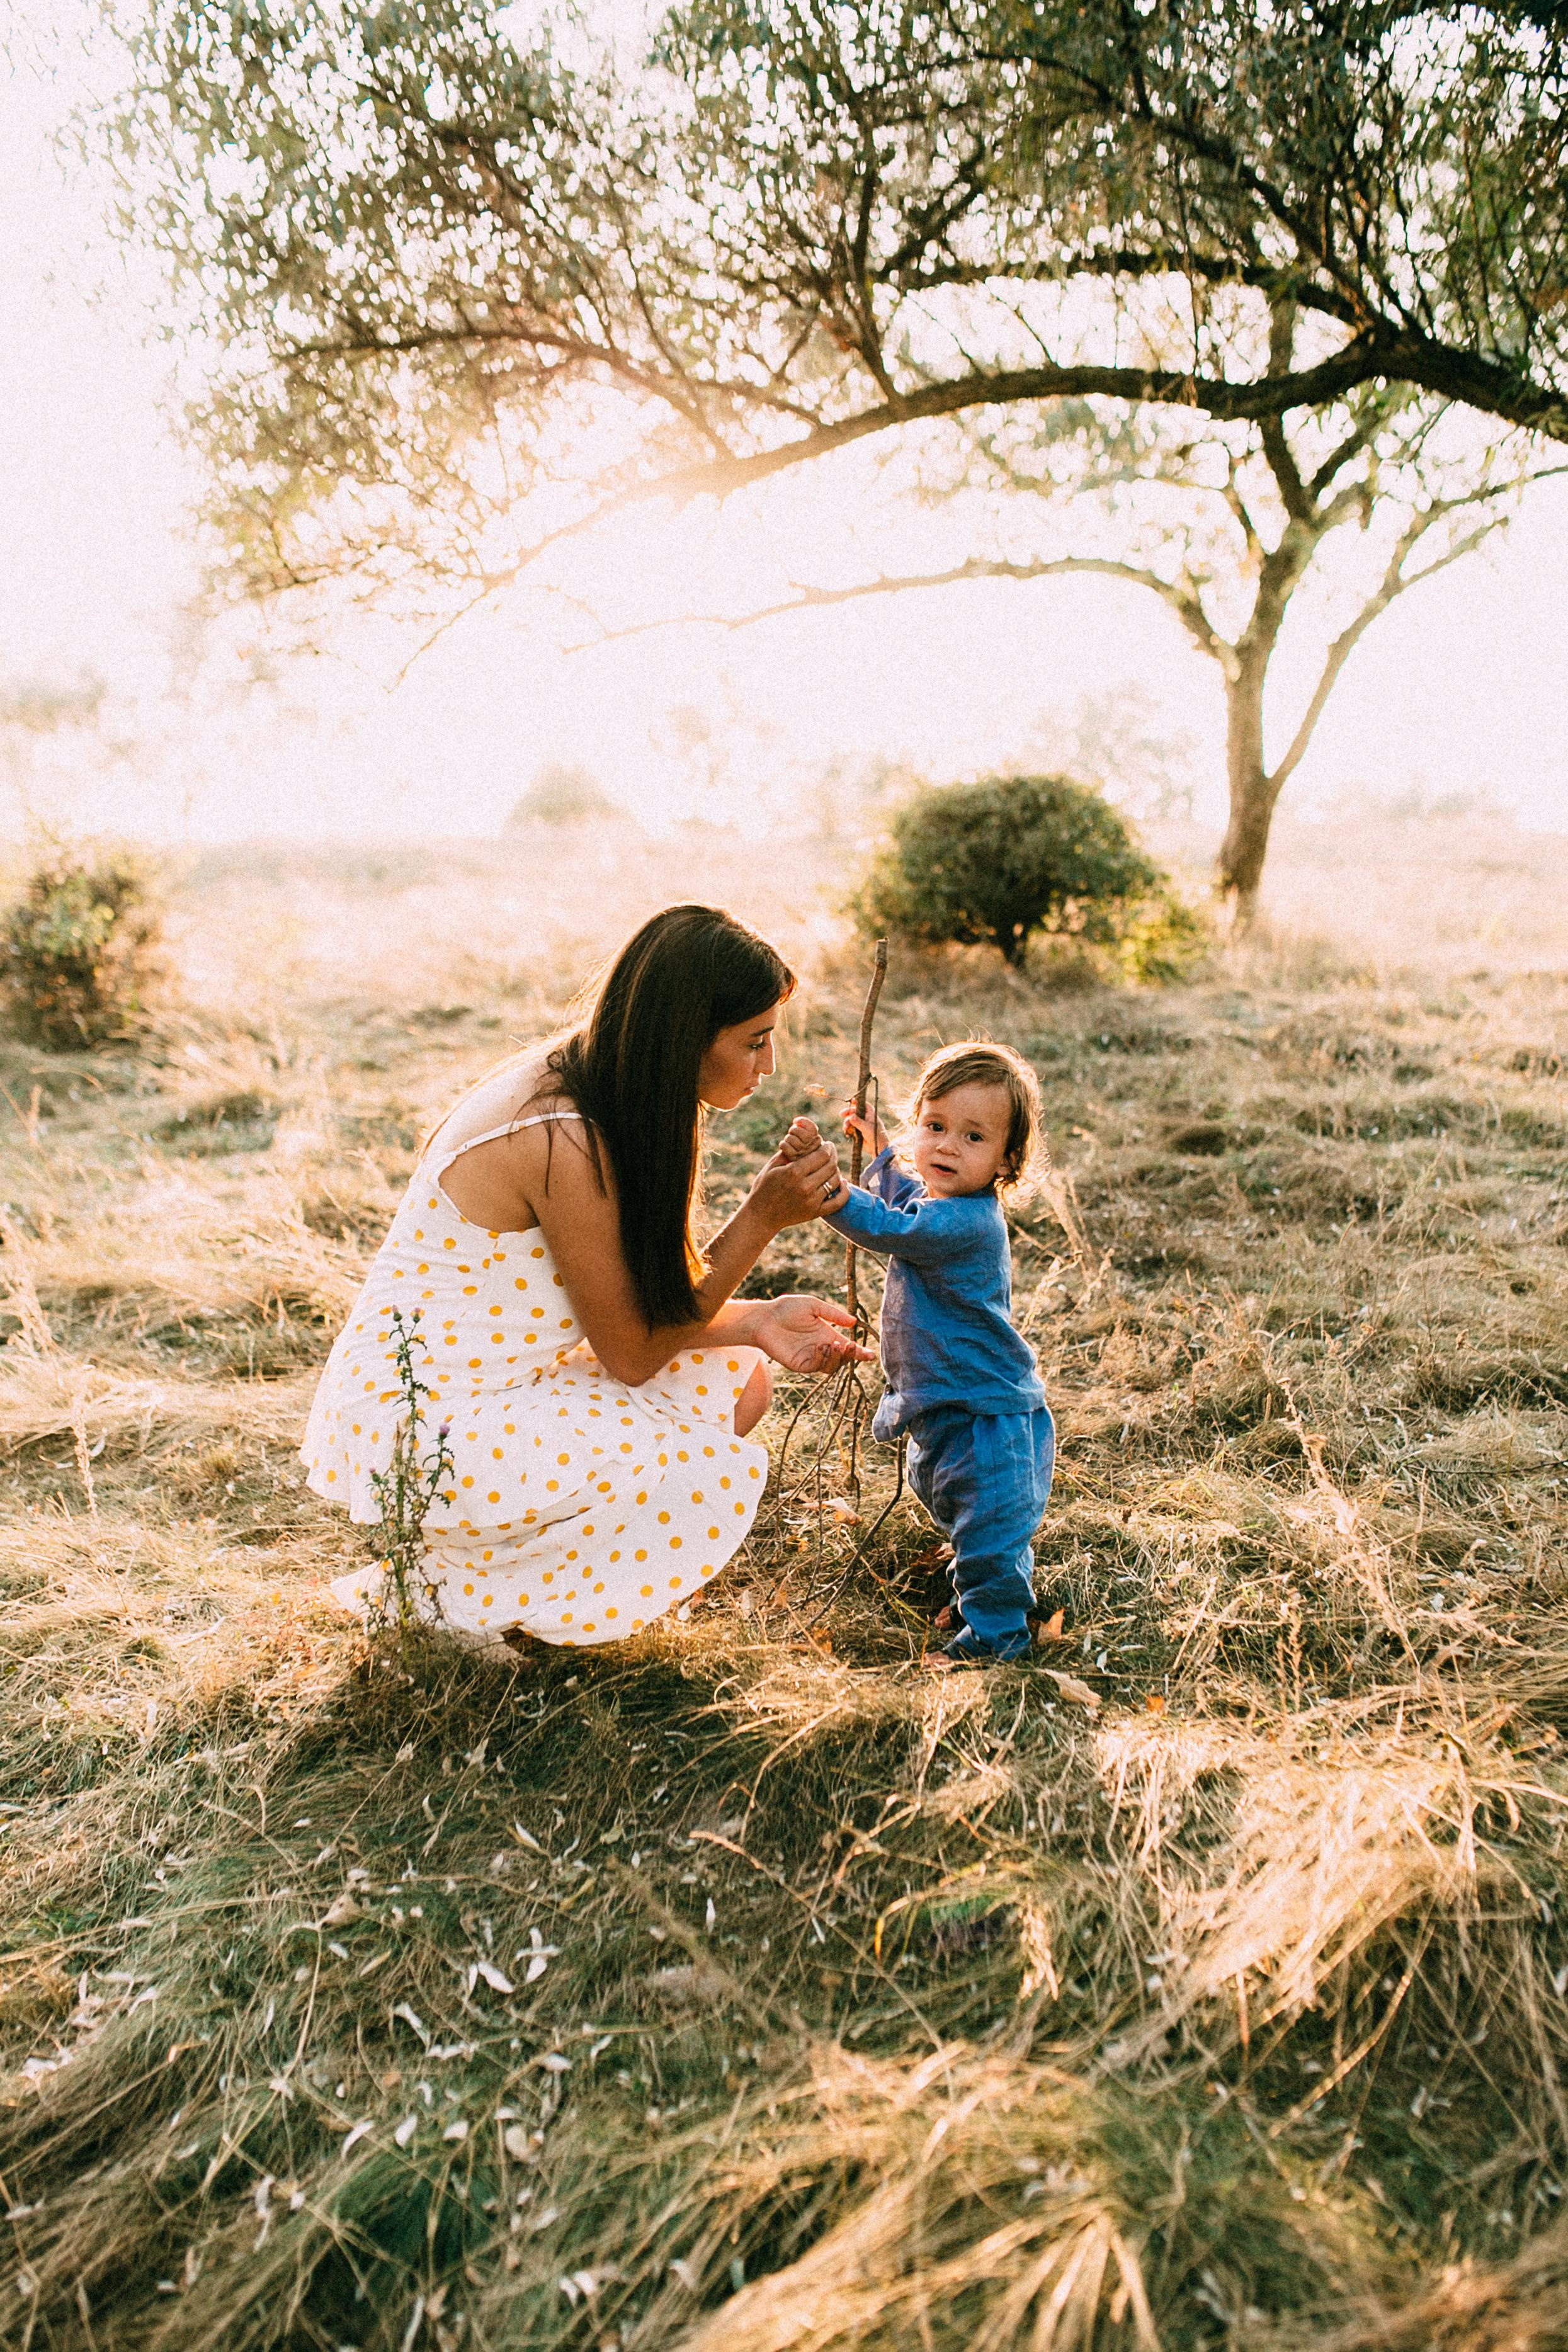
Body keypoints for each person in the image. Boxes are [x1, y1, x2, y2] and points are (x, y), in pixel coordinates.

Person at [302, 905, 868, 1645]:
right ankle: (461, 1604)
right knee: (686, 1467)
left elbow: (636, 1307)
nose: (768, 1066)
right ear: (686, 1037)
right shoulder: (562, 1135)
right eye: (755, 1042)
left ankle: (499, 1573)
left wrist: (758, 1321)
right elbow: (633, 1353)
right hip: (421, 1418)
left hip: (495, 1382)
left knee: (739, 1378)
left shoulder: (609, 1079)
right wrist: (761, 1217)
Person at [819, 1040, 1052, 1667]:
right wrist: (879, 1151)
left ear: (1007, 1159)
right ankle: (985, 1590)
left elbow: (895, 1225)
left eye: (973, 1137)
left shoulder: (968, 1222)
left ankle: (997, 1636)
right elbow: (908, 1203)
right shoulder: (946, 1204)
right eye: (935, 1125)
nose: (947, 1146)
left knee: (988, 1531)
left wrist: (831, 1194)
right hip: (954, 1404)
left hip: (987, 1417)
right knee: (969, 1515)